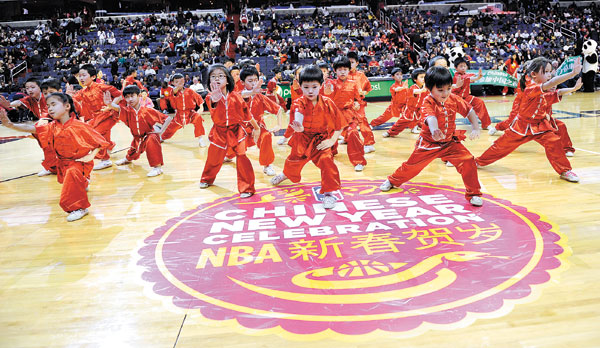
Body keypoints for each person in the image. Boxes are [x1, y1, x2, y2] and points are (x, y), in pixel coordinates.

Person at [380, 66, 483, 206]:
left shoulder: (453, 98)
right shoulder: (427, 102)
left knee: (468, 160)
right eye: (440, 90)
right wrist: (434, 130)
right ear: (429, 89)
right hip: (429, 143)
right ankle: (392, 180)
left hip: (449, 143)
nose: (445, 93)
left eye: (448, 88)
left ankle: (474, 193)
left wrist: (476, 127)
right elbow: (431, 117)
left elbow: (469, 110)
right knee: (411, 167)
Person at [0, 93, 109, 221]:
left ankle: (79, 208)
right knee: (71, 181)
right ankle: (83, 183)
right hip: (63, 163)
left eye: (53, 105)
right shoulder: (51, 126)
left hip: (78, 163)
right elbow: (32, 128)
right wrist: (10, 125)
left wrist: (91, 156)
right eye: (48, 106)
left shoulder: (79, 125)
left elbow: (101, 142)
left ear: (67, 106)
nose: (50, 109)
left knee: (69, 189)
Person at [475, 57, 583, 182]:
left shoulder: (544, 90)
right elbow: (552, 83)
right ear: (534, 74)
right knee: (500, 147)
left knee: (554, 142)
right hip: (521, 126)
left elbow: (557, 92)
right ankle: (478, 162)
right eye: (546, 72)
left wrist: (573, 89)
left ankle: (565, 170)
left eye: (550, 72)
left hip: (540, 125)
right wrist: (572, 73)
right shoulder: (531, 88)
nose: (550, 75)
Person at [270, 65, 343, 209]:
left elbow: (339, 125)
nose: (310, 91)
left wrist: (332, 140)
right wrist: (300, 126)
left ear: (321, 86)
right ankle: (285, 174)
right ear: (300, 86)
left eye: (314, 87)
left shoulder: (328, 103)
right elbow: (299, 112)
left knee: (327, 161)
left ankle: (329, 194)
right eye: (306, 87)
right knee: (293, 161)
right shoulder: (298, 102)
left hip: (321, 140)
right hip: (302, 138)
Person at [199, 64, 260, 198]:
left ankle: (247, 188)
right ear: (209, 81)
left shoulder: (236, 96)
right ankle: (206, 179)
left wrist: (256, 127)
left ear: (227, 80)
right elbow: (213, 102)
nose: (217, 79)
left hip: (236, 130)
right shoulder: (210, 97)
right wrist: (215, 97)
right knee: (214, 158)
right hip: (219, 132)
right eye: (213, 77)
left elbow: (247, 114)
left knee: (242, 155)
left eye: (221, 76)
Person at [104, 85, 173, 177]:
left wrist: (160, 132)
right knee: (133, 151)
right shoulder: (127, 111)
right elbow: (118, 108)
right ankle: (127, 159)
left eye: (132, 96)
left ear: (139, 95)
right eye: (127, 97)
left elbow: (168, 118)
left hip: (148, 135)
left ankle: (157, 168)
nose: (130, 99)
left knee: (152, 140)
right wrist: (110, 104)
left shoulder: (147, 110)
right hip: (137, 137)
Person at [68, 63, 122, 170]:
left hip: (109, 115)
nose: (81, 78)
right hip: (96, 118)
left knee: (96, 134)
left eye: (84, 75)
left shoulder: (101, 87)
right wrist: (68, 96)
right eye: (80, 76)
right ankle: (109, 145)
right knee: (100, 134)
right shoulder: (82, 91)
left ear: (93, 77)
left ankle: (105, 160)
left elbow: (119, 95)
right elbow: (73, 101)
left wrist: (110, 106)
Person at [0, 78, 58, 176]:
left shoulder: (48, 97)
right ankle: (52, 164)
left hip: (54, 124)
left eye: (32, 87)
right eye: (27, 88)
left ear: (40, 88)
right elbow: (18, 102)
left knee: (52, 146)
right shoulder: (29, 99)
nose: (30, 90)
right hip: (43, 125)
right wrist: (9, 105)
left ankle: (53, 166)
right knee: (44, 145)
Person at [323, 55, 367, 171]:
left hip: (348, 114)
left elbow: (358, 98)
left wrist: (357, 103)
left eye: (345, 69)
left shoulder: (354, 83)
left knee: (353, 133)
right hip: (333, 115)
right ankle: (331, 150)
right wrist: (327, 92)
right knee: (328, 136)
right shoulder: (330, 83)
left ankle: (358, 161)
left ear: (349, 70)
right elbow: (324, 98)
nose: (342, 72)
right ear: (335, 70)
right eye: (340, 70)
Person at [239, 65, 284, 176]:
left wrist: (279, 124)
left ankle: (267, 165)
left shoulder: (260, 97)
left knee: (267, 136)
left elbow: (278, 109)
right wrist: (251, 92)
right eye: (250, 81)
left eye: (255, 80)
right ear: (242, 82)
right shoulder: (238, 95)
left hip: (259, 127)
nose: (254, 83)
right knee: (235, 144)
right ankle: (229, 155)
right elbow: (241, 95)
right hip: (242, 128)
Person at [160, 73, 207, 146]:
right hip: (179, 115)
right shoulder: (172, 92)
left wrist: (201, 108)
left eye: (181, 81)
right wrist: (178, 86)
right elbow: (173, 92)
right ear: (172, 83)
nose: (179, 83)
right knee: (170, 129)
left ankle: (200, 139)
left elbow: (199, 98)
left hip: (190, 113)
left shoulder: (190, 91)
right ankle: (162, 138)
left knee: (198, 118)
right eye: (176, 82)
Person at [383, 68, 428, 137]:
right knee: (402, 122)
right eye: (421, 77)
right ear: (415, 79)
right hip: (410, 110)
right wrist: (422, 90)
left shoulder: (426, 88)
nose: (423, 79)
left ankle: (415, 128)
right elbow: (414, 91)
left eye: (425, 77)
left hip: (419, 110)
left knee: (420, 121)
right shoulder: (413, 87)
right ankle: (390, 132)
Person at [347, 51, 376, 153]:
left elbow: (368, 89)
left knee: (362, 122)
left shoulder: (361, 75)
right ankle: (347, 139)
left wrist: (363, 92)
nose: (350, 64)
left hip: (359, 103)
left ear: (357, 63)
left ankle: (370, 143)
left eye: (352, 62)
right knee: (346, 122)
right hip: (347, 104)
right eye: (348, 62)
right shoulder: (343, 75)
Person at [452, 57, 492, 130]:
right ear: (456, 68)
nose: (463, 68)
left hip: (466, 97)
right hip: (456, 99)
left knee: (479, 102)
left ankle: (486, 124)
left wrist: (478, 77)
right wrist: (474, 76)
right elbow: (466, 78)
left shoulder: (466, 75)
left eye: (464, 66)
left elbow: (470, 79)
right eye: (461, 66)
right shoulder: (457, 76)